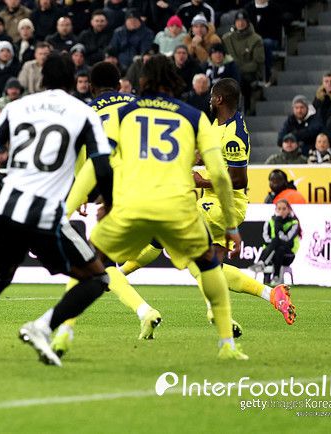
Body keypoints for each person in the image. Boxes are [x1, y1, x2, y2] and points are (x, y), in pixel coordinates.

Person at [0, 53, 114, 366]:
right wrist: (109, 204)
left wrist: (0, 183)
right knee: (97, 278)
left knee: (0, 277)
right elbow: (102, 165)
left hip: (8, 209)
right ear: (74, 79)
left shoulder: (18, 106)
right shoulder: (83, 112)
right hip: (44, 214)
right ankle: (42, 327)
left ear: (42, 78)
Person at [69, 56, 248, 359]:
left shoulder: (126, 113)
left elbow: (95, 160)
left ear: (141, 81)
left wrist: (76, 200)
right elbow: (220, 175)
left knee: (93, 263)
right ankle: (227, 344)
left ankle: (65, 330)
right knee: (207, 265)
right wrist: (231, 225)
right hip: (177, 204)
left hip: (133, 200)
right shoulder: (193, 116)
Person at [117, 77, 296, 334]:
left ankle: (117, 275)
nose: (209, 100)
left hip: (225, 206)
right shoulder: (216, 125)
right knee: (212, 269)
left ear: (219, 99)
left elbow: (239, 180)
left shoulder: (235, 134)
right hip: (212, 202)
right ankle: (271, 294)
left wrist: (202, 181)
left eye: (212, 96)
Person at [51, 61, 160, 357]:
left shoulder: (87, 111)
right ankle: (145, 311)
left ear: (91, 86)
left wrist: (81, 192)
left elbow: (82, 154)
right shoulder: (139, 105)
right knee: (199, 262)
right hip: (157, 188)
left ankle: (64, 331)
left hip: (119, 190)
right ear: (121, 83)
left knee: (86, 261)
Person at [249, 200, 301, 286]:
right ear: (275, 210)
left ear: (288, 210)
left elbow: (287, 239)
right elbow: (266, 239)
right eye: (279, 209)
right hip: (271, 254)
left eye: (284, 209)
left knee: (278, 244)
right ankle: (276, 277)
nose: (281, 211)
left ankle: (262, 262)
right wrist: (275, 242)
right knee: (278, 247)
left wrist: (278, 223)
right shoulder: (270, 221)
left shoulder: (294, 223)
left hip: (287, 255)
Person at [222, 10, 264, 113]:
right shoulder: (227, 39)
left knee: (241, 81)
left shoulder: (256, 39)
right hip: (230, 72)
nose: (240, 23)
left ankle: (245, 108)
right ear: (234, 23)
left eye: (243, 21)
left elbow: (257, 63)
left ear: (248, 22)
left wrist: (238, 69)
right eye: (238, 21)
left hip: (249, 73)